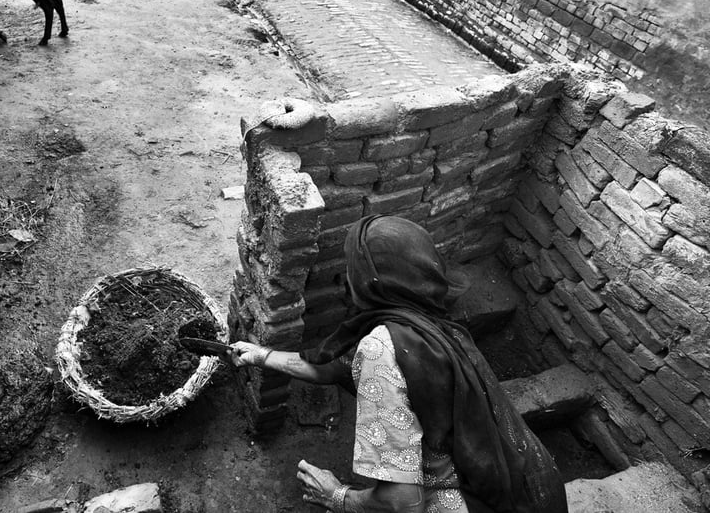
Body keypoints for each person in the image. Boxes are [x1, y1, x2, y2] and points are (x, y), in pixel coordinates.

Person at [230, 215, 568, 513]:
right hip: (535, 482)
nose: (347, 279)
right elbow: (331, 366)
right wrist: (261, 356)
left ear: (369, 282)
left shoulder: (380, 350)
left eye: (353, 270)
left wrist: (337, 495)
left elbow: (402, 503)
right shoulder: (429, 321)